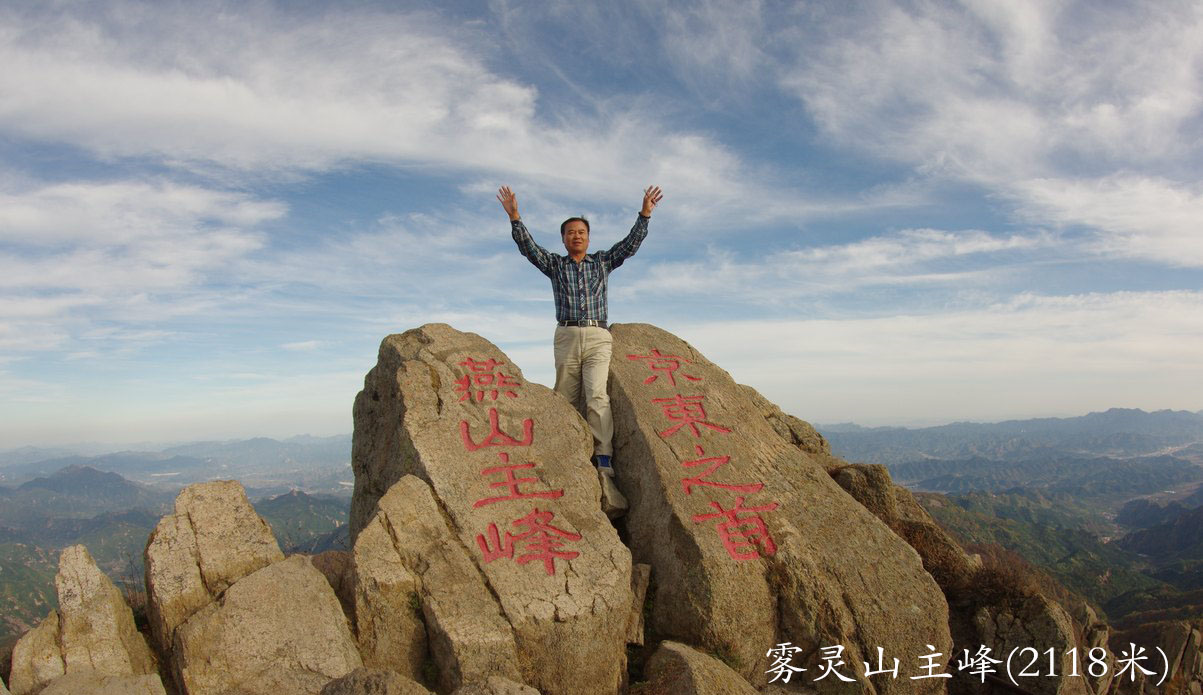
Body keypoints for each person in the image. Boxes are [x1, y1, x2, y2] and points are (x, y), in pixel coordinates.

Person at [498, 184, 662, 510]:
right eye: (571, 232)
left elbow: (629, 246)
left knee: (597, 394)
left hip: (598, 336)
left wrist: (644, 213)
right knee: (565, 396)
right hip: (567, 336)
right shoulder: (556, 265)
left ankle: (603, 459)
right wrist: (515, 217)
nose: (576, 236)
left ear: (588, 237)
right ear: (563, 239)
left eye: (582, 232)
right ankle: (565, 453)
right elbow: (530, 250)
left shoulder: (601, 262)